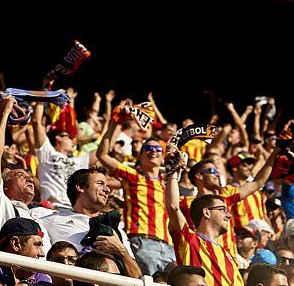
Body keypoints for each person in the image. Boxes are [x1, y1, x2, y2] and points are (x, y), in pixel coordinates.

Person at [99, 118, 174, 275]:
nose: (153, 150)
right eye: (148, 148)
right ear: (139, 157)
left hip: (168, 246)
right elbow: (103, 155)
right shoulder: (133, 177)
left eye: (158, 148)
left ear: (162, 157)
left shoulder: (169, 186)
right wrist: (115, 123)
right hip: (142, 242)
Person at [38, 168, 140, 278]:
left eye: (106, 185)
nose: (107, 190)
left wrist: (121, 251)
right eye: (100, 183)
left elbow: (137, 276)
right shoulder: (52, 219)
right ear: (80, 187)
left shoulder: (116, 231)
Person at [166, 146, 244, 286]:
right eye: (222, 210)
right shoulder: (190, 240)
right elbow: (173, 206)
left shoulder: (229, 256)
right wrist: (173, 172)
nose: (229, 216)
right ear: (206, 212)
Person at [0, 96, 48, 243]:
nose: (29, 178)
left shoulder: (38, 216)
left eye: (28, 176)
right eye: (20, 175)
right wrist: (5, 112)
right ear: (5, 187)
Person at [33, 101, 90, 206]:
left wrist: (116, 123)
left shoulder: (79, 160)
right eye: (69, 137)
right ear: (58, 138)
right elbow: (36, 122)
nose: (73, 141)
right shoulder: (48, 153)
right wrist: (41, 97)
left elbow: (103, 152)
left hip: (73, 210)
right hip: (51, 208)